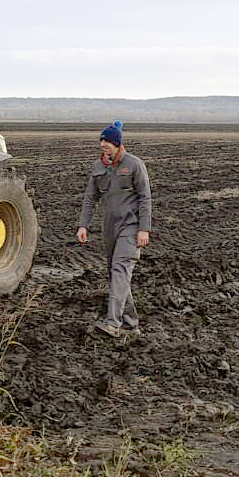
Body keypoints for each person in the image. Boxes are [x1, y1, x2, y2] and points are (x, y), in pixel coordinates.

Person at [76, 120, 153, 338]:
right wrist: (83, 224)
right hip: (109, 228)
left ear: (117, 144)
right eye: (101, 144)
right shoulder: (98, 167)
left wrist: (144, 228)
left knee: (120, 269)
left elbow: (145, 198)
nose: (104, 147)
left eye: (107, 143)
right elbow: (90, 198)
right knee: (116, 274)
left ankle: (113, 324)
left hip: (131, 226)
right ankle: (131, 324)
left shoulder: (134, 165)